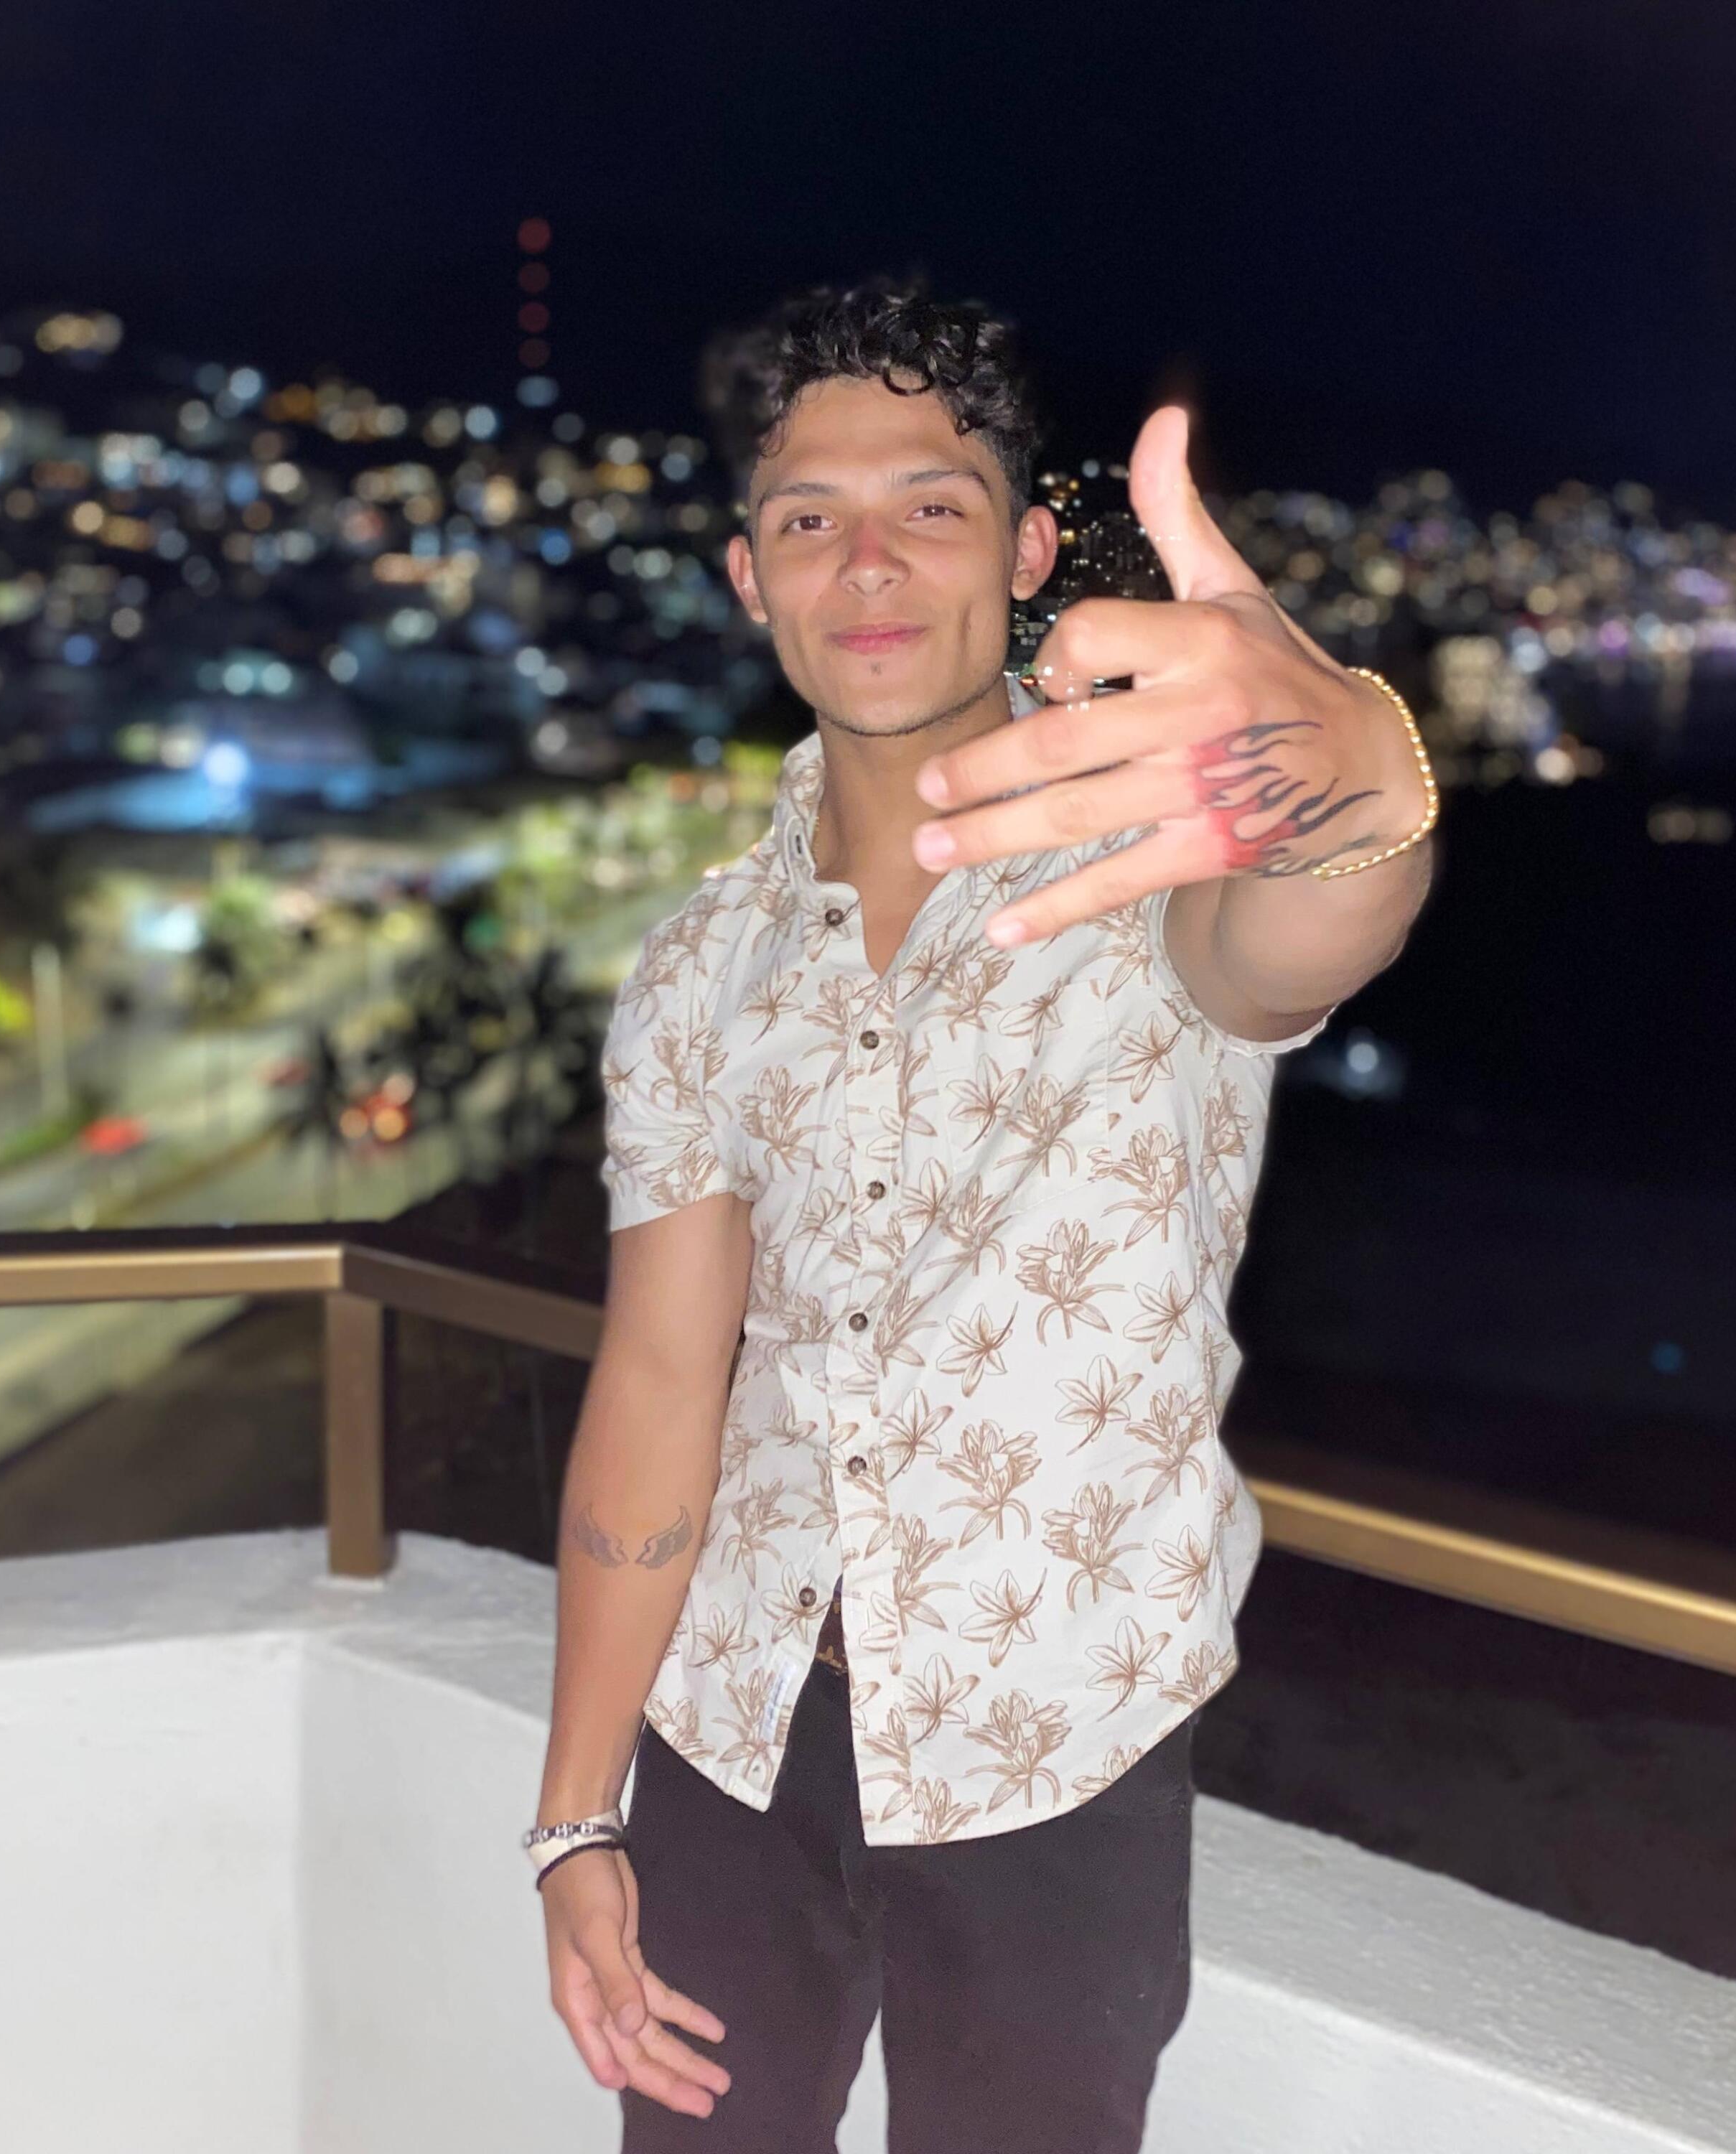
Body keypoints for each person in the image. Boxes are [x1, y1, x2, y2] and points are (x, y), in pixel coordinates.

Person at [531, 275, 1437, 2151]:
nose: (867, 562)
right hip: (731, 1726)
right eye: (810, 520)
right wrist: (576, 1816)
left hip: (1056, 1747)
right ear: (750, 578)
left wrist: (1357, 767)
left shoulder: (1158, 850)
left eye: (930, 505)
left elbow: (1303, 928)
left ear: (1026, 551)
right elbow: (662, 1385)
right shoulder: (703, 963)